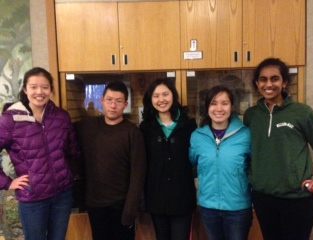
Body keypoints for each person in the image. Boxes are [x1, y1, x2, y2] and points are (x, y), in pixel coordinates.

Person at [243, 57, 313, 240]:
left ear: (284, 82)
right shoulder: (251, 115)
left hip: (297, 200)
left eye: (274, 79)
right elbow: (247, 153)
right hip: (263, 198)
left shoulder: (302, 113)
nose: (268, 84)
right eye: (263, 79)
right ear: (257, 83)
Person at [0, 67, 81, 240]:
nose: (39, 92)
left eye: (45, 87)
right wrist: (7, 182)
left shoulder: (61, 117)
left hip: (62, 195)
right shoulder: (10, 120)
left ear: (51, 90)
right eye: (34, 87)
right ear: (25, 90)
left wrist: (72, 175)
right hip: (33, 198)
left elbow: (73, 151)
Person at [75, 80, 147, 240]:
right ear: (102, 101)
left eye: (118, 101)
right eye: (109, 100)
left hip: (121, 206)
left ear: (126, 104)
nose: (113, 105)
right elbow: (61, 129)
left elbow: (138, 174)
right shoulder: (87, 127)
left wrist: (130, 210)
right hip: (95, 204)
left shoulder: (132, 133)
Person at [189, 85, 252, 240]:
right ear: (207, 107)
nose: (219, 108)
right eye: (214, 103)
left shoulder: (245, 134)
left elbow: (256, 165)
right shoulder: (197, 136)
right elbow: (191, 164)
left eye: (224, 103)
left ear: (232, 106)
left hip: (238, 207)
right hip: (208, 207)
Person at [140, 78, 197, 240]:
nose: (161, 99)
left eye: (165, 94)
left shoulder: (189, 125)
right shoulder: (145, 127)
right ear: (151, 99)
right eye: (156, 95)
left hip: (182, 197)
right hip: (156, 197)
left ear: (174, 96)